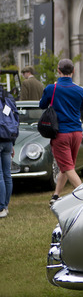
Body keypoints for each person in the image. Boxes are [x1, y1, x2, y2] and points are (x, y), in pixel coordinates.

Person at [39, 59, 83, 205]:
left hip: (61, 133)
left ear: (58, 71)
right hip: (77, 132)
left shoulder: (51, 88)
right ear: (73, 71)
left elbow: (42, 105)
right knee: (67, 166)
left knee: (67, 167)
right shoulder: (81, 90)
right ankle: (55, 195)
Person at [0, 84, 19, 218]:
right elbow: (15, 119)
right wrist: (12, 142)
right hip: (8, 139)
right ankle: (5, 205)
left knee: (0, 174)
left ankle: (1, 207)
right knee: (7, 174)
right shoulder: (8, 97)